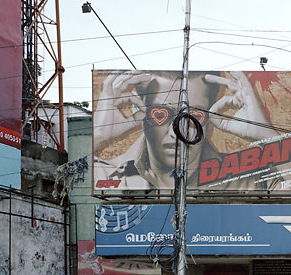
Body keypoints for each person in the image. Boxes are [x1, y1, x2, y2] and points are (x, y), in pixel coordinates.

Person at [93, 70, 278, 191]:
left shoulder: (247, 181)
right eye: (162, 114)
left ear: (210, 117)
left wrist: (267, 135)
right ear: (139, 111)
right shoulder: (104, 174)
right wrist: (99, 136)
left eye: (193, 116)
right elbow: (67, 197)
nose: (177, 133)